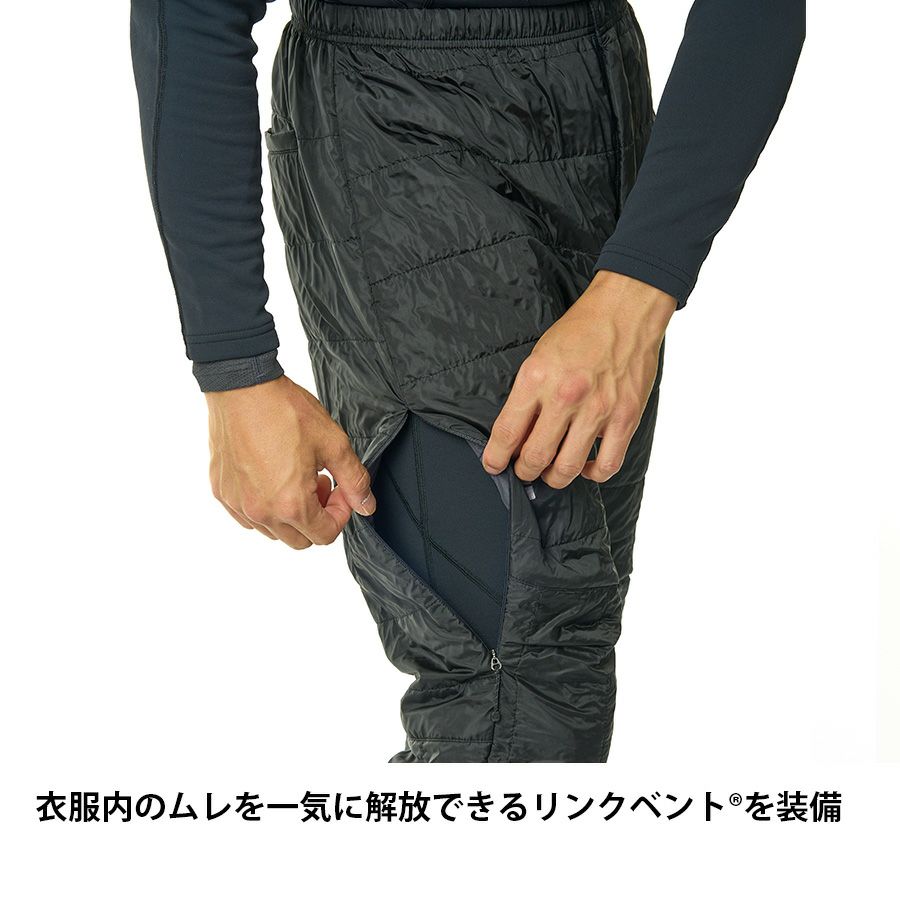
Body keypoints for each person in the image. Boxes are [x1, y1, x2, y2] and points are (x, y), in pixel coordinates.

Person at [130, 0, 805, 762]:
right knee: (520, 681)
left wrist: (640, 288)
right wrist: (234, 364)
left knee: (559, 665)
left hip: (600, 105)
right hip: (393, 123)